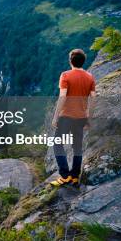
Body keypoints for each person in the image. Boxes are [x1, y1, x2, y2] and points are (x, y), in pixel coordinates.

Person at [50, 49, 96, 187]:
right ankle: (75, 177)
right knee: (77, 147)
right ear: (83, 61)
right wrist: (89, 117)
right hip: (81, 117)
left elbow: (63, 96)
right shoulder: (90, 77)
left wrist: (55, 116)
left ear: (70, 60)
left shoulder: (65, 75)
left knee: (57, 144)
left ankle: (65, 176)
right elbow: (93, 98)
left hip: (66, 116)